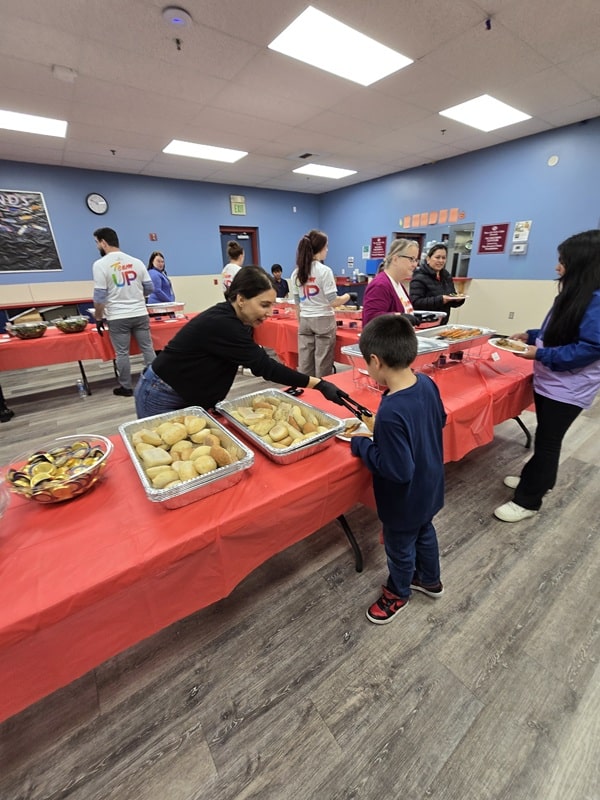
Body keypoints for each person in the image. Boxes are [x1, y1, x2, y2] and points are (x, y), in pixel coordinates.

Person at [134, 265, 350, 418]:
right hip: (162, 392)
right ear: (240, 299)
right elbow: (266, 368)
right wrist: (319, 383)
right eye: (263, 305)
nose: (268, 313)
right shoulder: (224, 323)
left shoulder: (238, 319)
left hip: (188, 392)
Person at [494, 229, 600, 523]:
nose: (557, 267)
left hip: (569, 387)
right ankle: (538, 478)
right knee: (546, 439)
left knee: (548, 442)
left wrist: (538, 354)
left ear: (583, 263)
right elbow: (560, 331)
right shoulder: (576, 293)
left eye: (563, 261)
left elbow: (590, 347)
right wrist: (531, 335)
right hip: (552, 381)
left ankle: (529, 500)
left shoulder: (597, 301)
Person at [349, 314, 446, 624]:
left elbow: (397, 470)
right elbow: (438, 420)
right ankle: (430, 580)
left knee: (400, 547)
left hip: (404, 501)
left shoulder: (391, 410)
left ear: (375, 361)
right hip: (431, 487)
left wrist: (362, 443)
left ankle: (398, 592)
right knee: (425, 532)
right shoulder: (427, 382)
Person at [92, 227, 156, 397]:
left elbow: (99, 297)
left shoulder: (100, 265)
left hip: (118, 316)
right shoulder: (137, 262)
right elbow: (150, 288)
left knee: (122, 353)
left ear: (103, 242)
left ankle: (126, 387)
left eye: (97, 243)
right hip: (140, 313)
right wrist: (135, 296)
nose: (97, 246)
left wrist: (98, 317)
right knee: (148, 348)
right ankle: (156, 381)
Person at [290, 230, 350, 377]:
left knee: (305, 362)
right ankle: (321, 395)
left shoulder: (296, 273)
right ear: (319, 248)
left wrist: (302, 320)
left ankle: (305, 391)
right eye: (326, 246)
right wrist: (347, 296)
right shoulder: (324, 271)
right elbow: (334, 302)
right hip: (323, 319)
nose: (327, 250)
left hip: (305, 320)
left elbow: (297, 304)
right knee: (322, 362)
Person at [361, 239, 419, 327]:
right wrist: (399, 317)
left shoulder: (398, 285)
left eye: (416, 260)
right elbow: (371, 319)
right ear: (395, 259)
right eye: (411, 259)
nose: (415, 264)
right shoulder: (380, 285)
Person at [409, 243, 466, 321]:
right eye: (437, 257)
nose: (441, 261)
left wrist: (458, 299)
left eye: (443, 258)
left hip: (442, 321)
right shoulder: (419, 277)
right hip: (425, 322)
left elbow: (451, 299)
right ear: (428, 259)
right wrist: (441, 299)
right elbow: (415, 302)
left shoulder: (446, 276)